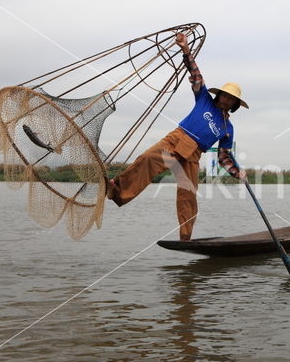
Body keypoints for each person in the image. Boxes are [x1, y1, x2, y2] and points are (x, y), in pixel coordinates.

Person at [106, 32, 247, 240]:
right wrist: (186, 49)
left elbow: (224, 156)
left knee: (188, 195)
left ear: (235, 105)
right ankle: (116, 191)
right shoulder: (204, 99)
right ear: (219, 95)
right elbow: (196, 75)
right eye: (225, 95)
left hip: (193, 155)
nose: (226, 99)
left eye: (231, 99)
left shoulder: (228, 128)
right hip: (177, 140)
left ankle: (185, 237)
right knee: (147, 159)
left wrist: (238, 173)